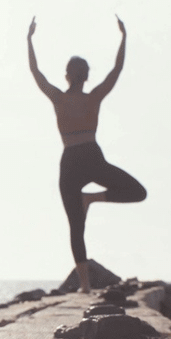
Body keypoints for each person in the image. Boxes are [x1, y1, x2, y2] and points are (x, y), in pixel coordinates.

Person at [28, 16, 146, 293]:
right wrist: (124, 38)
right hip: (92, 156)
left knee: (75, 225)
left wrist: (29, 40)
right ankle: (92, 198)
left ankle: (84, 285)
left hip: (70, 160)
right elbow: (116, 70)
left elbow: (36, 72)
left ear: (67, 75)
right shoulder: (93, 98)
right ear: (86, 76)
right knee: (137, 192)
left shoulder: (59, 98)